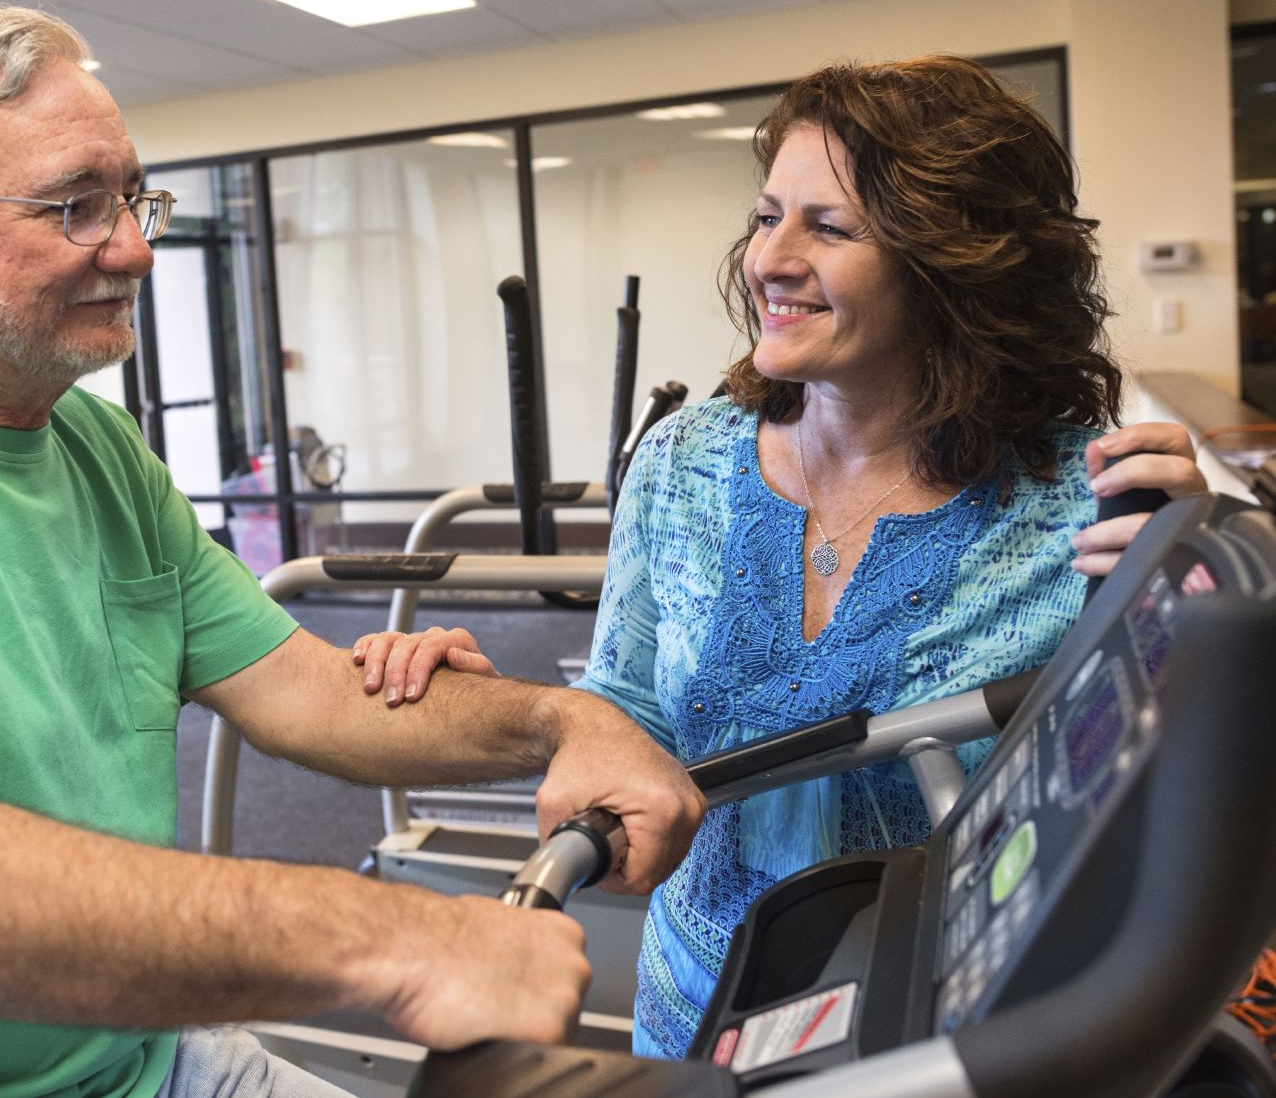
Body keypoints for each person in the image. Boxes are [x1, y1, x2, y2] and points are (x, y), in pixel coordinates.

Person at [0, 7, 708, 1098]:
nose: (135, 246)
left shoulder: (94, 444)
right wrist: (399, 937)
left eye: (132, 197)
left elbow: (309, 692)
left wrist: (565, 722)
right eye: (75, 206)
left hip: (122, 1054)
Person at [354, 54, 1207, 1060]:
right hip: (703, 1012)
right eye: (767, 216)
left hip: (951, 1037)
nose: (770, 258)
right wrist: (513, 708)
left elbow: (1158, 794)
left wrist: (1187, 596)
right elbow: (630, 713)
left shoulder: (1080, 496)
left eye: (830, 227)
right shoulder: (682, 462)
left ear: (954, 265)